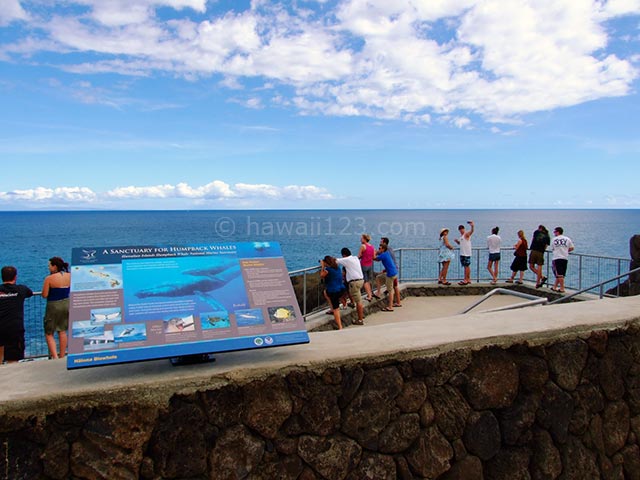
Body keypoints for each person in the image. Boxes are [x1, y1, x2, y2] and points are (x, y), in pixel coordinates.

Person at [0, 266, 33, 364]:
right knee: (13, 359)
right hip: (15, 327)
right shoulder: (21, 289)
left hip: (1, 325)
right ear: (15, 277)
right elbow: (30, 293)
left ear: (2, 277)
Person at [42, 256, 70, 359]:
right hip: (66, 303)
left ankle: (55, 357)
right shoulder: (69, 276)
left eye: (49, 265)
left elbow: (44, 294)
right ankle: (62, 355)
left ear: (54, 266)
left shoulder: (49, 278)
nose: (48, 267)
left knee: (49, 332)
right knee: (62, 330)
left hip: (53, 305)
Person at [336, 248, 365, 325]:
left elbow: (335, 261)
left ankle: (360, 320)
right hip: (361, 280)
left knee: (358, 301)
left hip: (355, 282)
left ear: (343, 255)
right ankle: (356, 309)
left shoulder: (346, 260)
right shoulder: (355, 258)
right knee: (356, 297)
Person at [319, 256, 346, 330]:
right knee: (325, 292)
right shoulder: (337, 268)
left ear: (326, 263)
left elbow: (321, 275)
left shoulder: (328, 270)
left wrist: (322, 266)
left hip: (334, 291)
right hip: (341, 289)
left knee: (336, 309)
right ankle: (333, 308)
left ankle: (340, 326)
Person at [374, 237, 401, 304]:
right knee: (395, 286)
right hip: (394, 269)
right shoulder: (390, 249)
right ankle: (398, 302)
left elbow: (377, 257)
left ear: (384, 244)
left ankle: (391, 305)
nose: (380, 243)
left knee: (392, 287)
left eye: (381, 242)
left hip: (391, 270)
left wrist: (374, 252)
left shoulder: (386, 251)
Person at [551, 227, 574, 293]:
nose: (554, 233)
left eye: (555, 232)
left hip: (557, 257)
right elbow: (572, 248)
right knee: (561, 274)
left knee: (559, 274)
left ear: (558, 232)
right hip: (565, 258)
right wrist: (566, 251)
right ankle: (554, 287)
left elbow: (552, 248)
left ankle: (562, 288)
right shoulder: (567, 239)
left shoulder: (554, 239)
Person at [455, 221, 474, 285]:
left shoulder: (466, 234)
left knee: (467, 266)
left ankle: (466, 279)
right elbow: (460, 243)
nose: (461, 230)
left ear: (464, 229)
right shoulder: (461, 237)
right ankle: (468, 279)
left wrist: (472, 226)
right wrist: (457, 241)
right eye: (460, 230)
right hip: (463, 253)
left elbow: (471, 232)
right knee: (466, 266)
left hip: (466, 253)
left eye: (462, 229)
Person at [358, 234, 375, 301]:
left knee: (365, 281)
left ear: (364, 239)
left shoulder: (363, 246)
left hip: (364, 264)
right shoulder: (372, 247)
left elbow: (359, 256)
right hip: (370, 264)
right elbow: (373, 257)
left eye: (361, 238)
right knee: (369, 280)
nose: (360, 240)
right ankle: (370, 293)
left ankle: (369, 295)